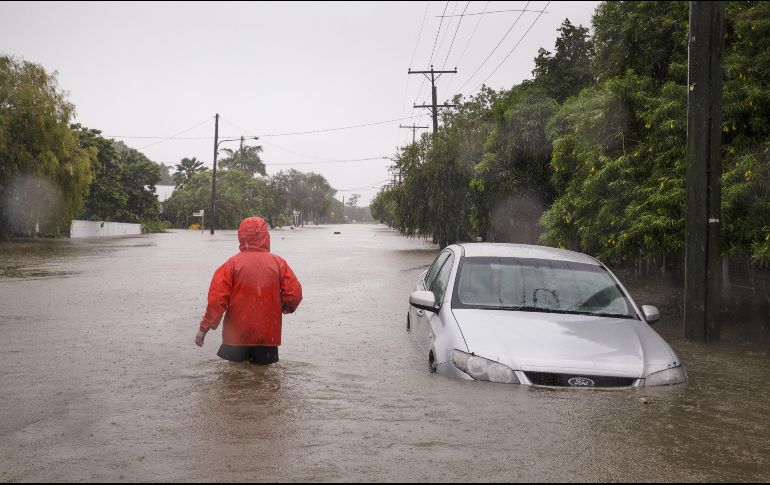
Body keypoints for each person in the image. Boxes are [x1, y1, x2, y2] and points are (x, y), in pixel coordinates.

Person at [195, 216, 302, 366]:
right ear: (266, 235)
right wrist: (285, 307)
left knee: (234, 377)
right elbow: (294, 293)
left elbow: (217, 300)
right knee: (262, 379)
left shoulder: (231, 264)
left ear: (241, 235)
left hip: (236, 336)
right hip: (267, 336)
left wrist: (204, 328)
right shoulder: (279, 263)